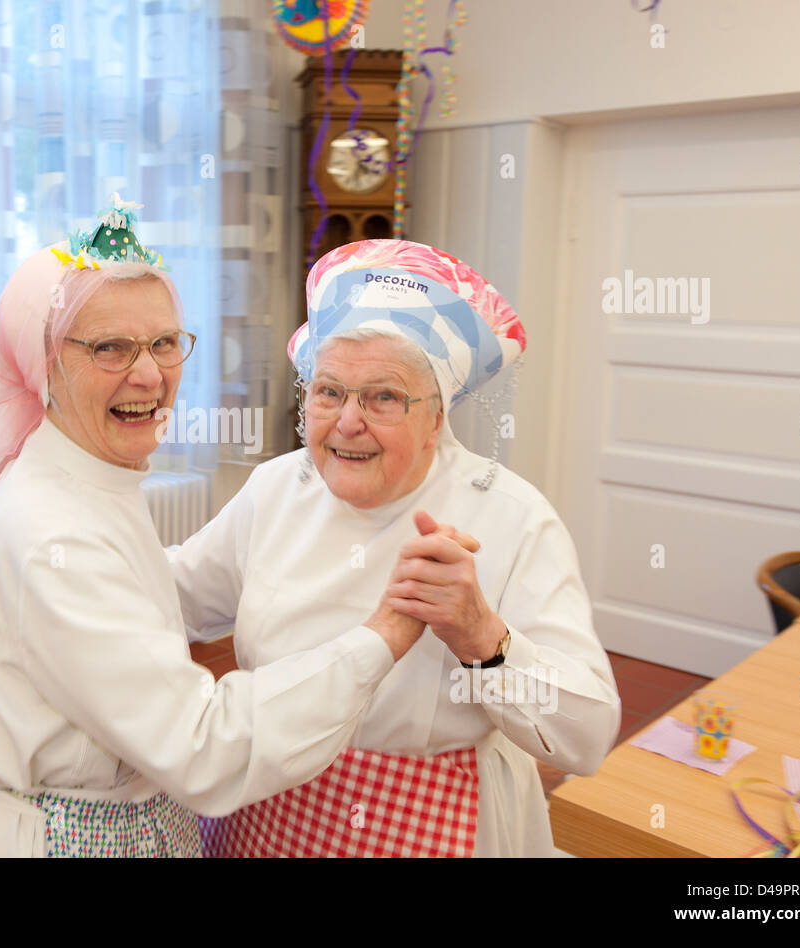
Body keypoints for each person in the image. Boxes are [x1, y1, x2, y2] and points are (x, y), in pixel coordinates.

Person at [0, 199, 449, 856]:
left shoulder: (90, 470)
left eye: (164, 343)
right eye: (110, 347)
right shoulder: (53, 534)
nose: (150, 374)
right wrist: (381, 636)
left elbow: (151, 590)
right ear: (43, 364)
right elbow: (202, 747)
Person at [172, 239, 621, 857]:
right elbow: (180, 598)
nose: (348, 421)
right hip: (265, 806)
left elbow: (587, 737)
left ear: (437, 417)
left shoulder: (511, 515)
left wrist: (481, 637)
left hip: (424, 819)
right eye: (329, 392)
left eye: (383, 397)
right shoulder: (280, 486)